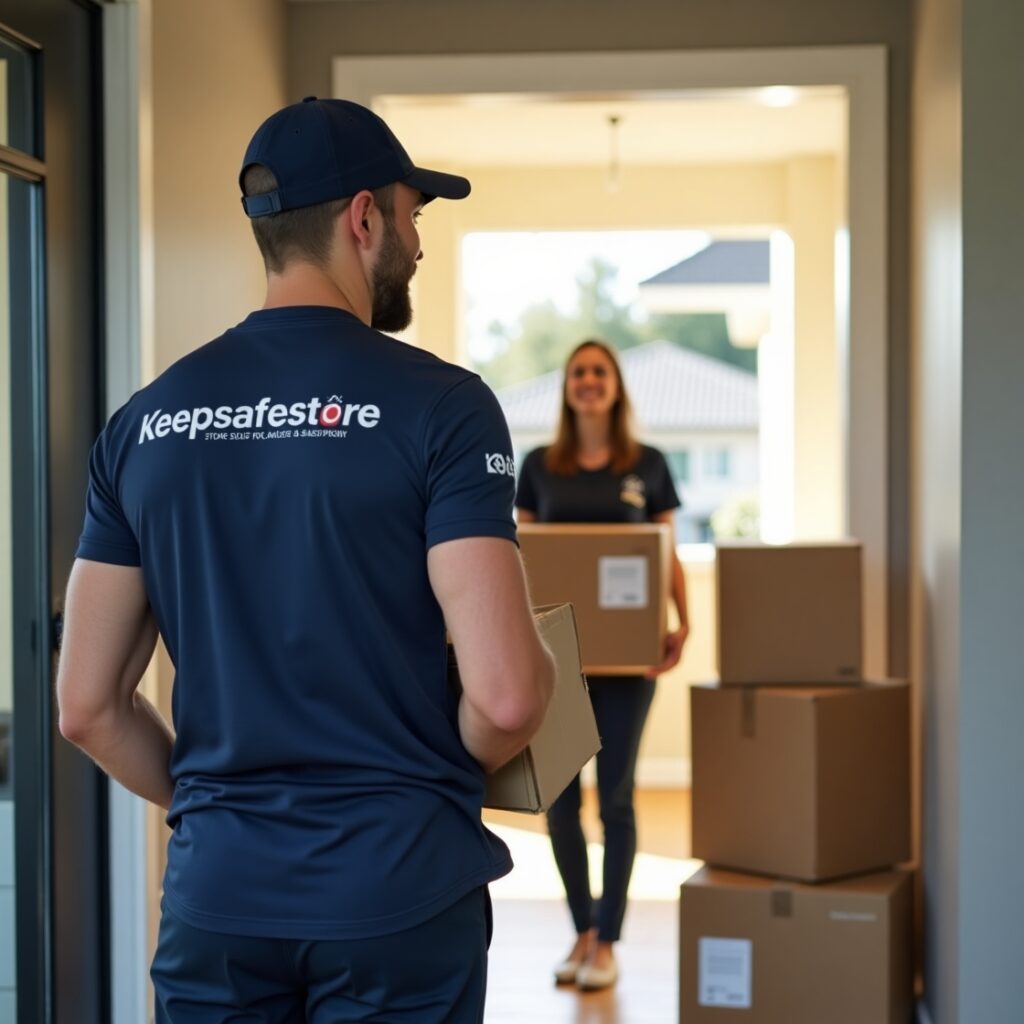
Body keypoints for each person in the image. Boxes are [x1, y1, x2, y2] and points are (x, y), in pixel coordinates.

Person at [56, 96, 555, 1024]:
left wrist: (217, 810)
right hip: (400, 893)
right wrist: (430, 778)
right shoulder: (443, 408)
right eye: (412, 214)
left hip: (217, 900)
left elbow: (86, 706)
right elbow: (509, 700)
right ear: (364, 218)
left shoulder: (143, 423)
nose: (418, 242)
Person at [515, 338, 689, 992]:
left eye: (599, 371)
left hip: (626, 665)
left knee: (615, 799)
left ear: (616, 386)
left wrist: (682, 622)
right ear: (567, 387)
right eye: (578, 372)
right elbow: (519, 558)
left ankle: (609, 940)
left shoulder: (648, 465)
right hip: (556, 660)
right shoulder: (539, 466)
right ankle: (581, 931)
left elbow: (665, 551)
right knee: (561, 804)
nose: (589, 380)